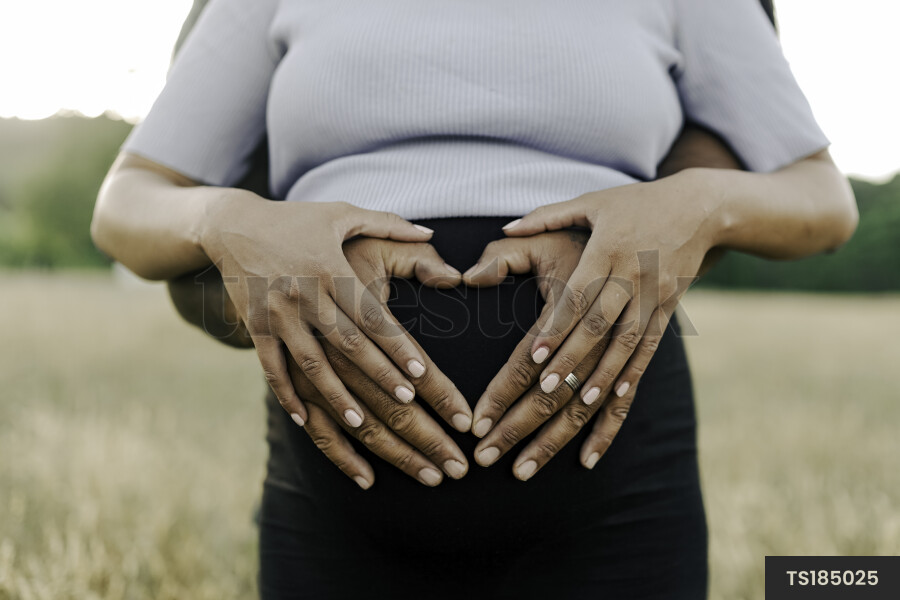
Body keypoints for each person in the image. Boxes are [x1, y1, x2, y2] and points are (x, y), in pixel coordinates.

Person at [91, 0, 857, 597]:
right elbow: (128, 204)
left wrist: (694, 203)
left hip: (617, 494)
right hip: (334, 501)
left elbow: (821, 199)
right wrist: (230, 220)